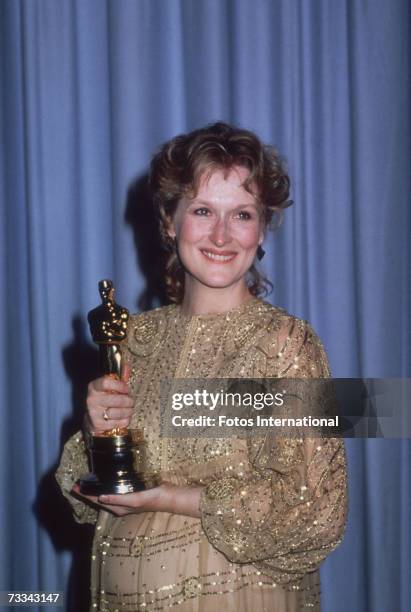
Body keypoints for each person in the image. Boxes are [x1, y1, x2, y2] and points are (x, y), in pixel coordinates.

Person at [56, 122, 347, 611]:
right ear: (170, 221)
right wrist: (94, 433)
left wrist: (167, 497)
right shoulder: (134, 339)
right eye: (203, 210)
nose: (221, 234)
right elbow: (77, 495)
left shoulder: (288, 345)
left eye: (242, 214)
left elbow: (317, 511)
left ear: (261, 229)